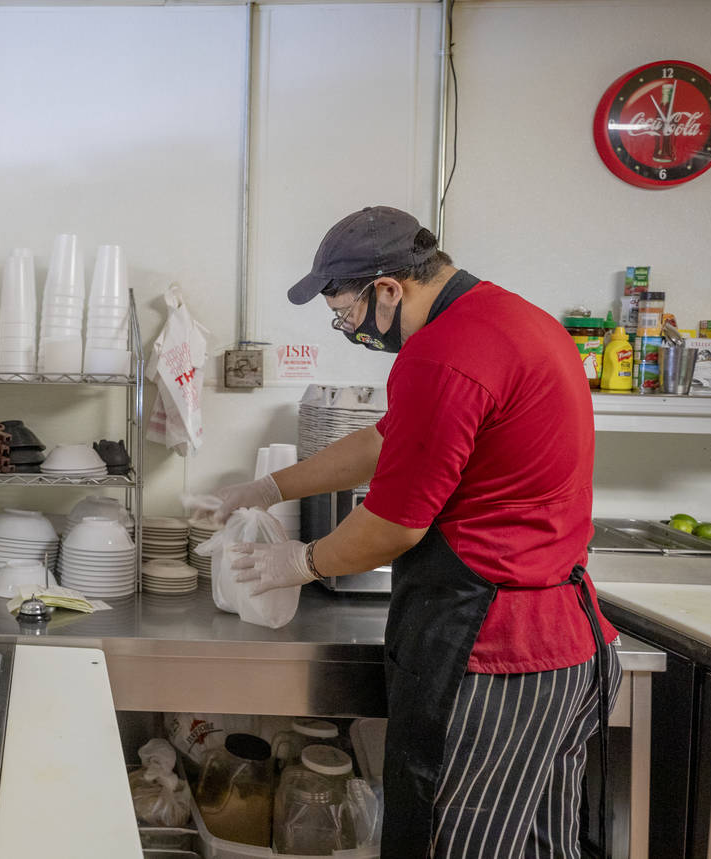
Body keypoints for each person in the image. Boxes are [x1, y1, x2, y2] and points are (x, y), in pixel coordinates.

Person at [203, 206, 621, 858]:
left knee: (447, 844)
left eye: (345, 314)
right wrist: (270, 487)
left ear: (389, 288)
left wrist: (304, 559)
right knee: (541, 846)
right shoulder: (514, 319)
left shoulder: (443, 353)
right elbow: (386, 438)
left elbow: (396, 524)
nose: (347, 328)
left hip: (488, 658)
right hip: (567, 651)